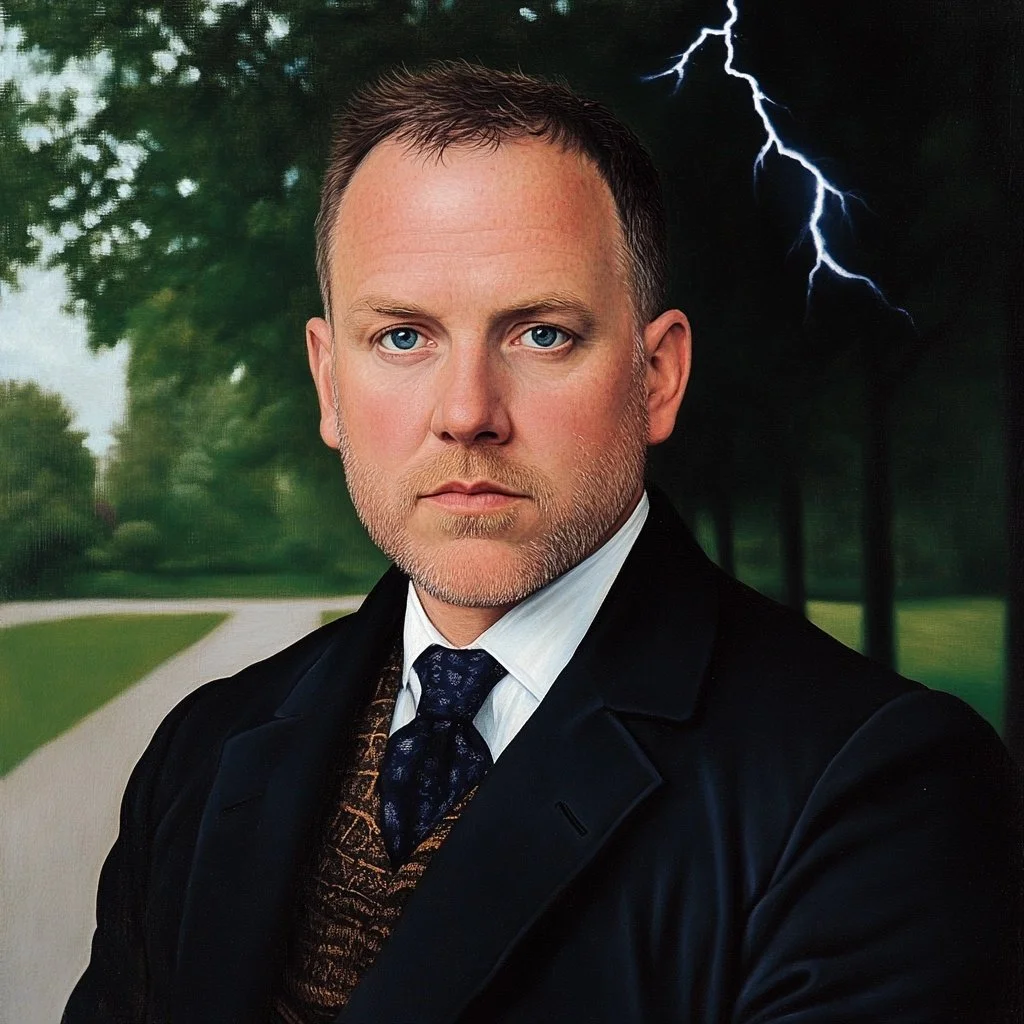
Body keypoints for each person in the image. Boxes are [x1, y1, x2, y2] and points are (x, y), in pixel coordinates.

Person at [64, 61, 1021, 1024]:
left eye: (541, 335)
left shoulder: (877, 794)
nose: (468, 414)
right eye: (403, 337)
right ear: (327, 382)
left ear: (657, 375)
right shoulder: (202, 751)